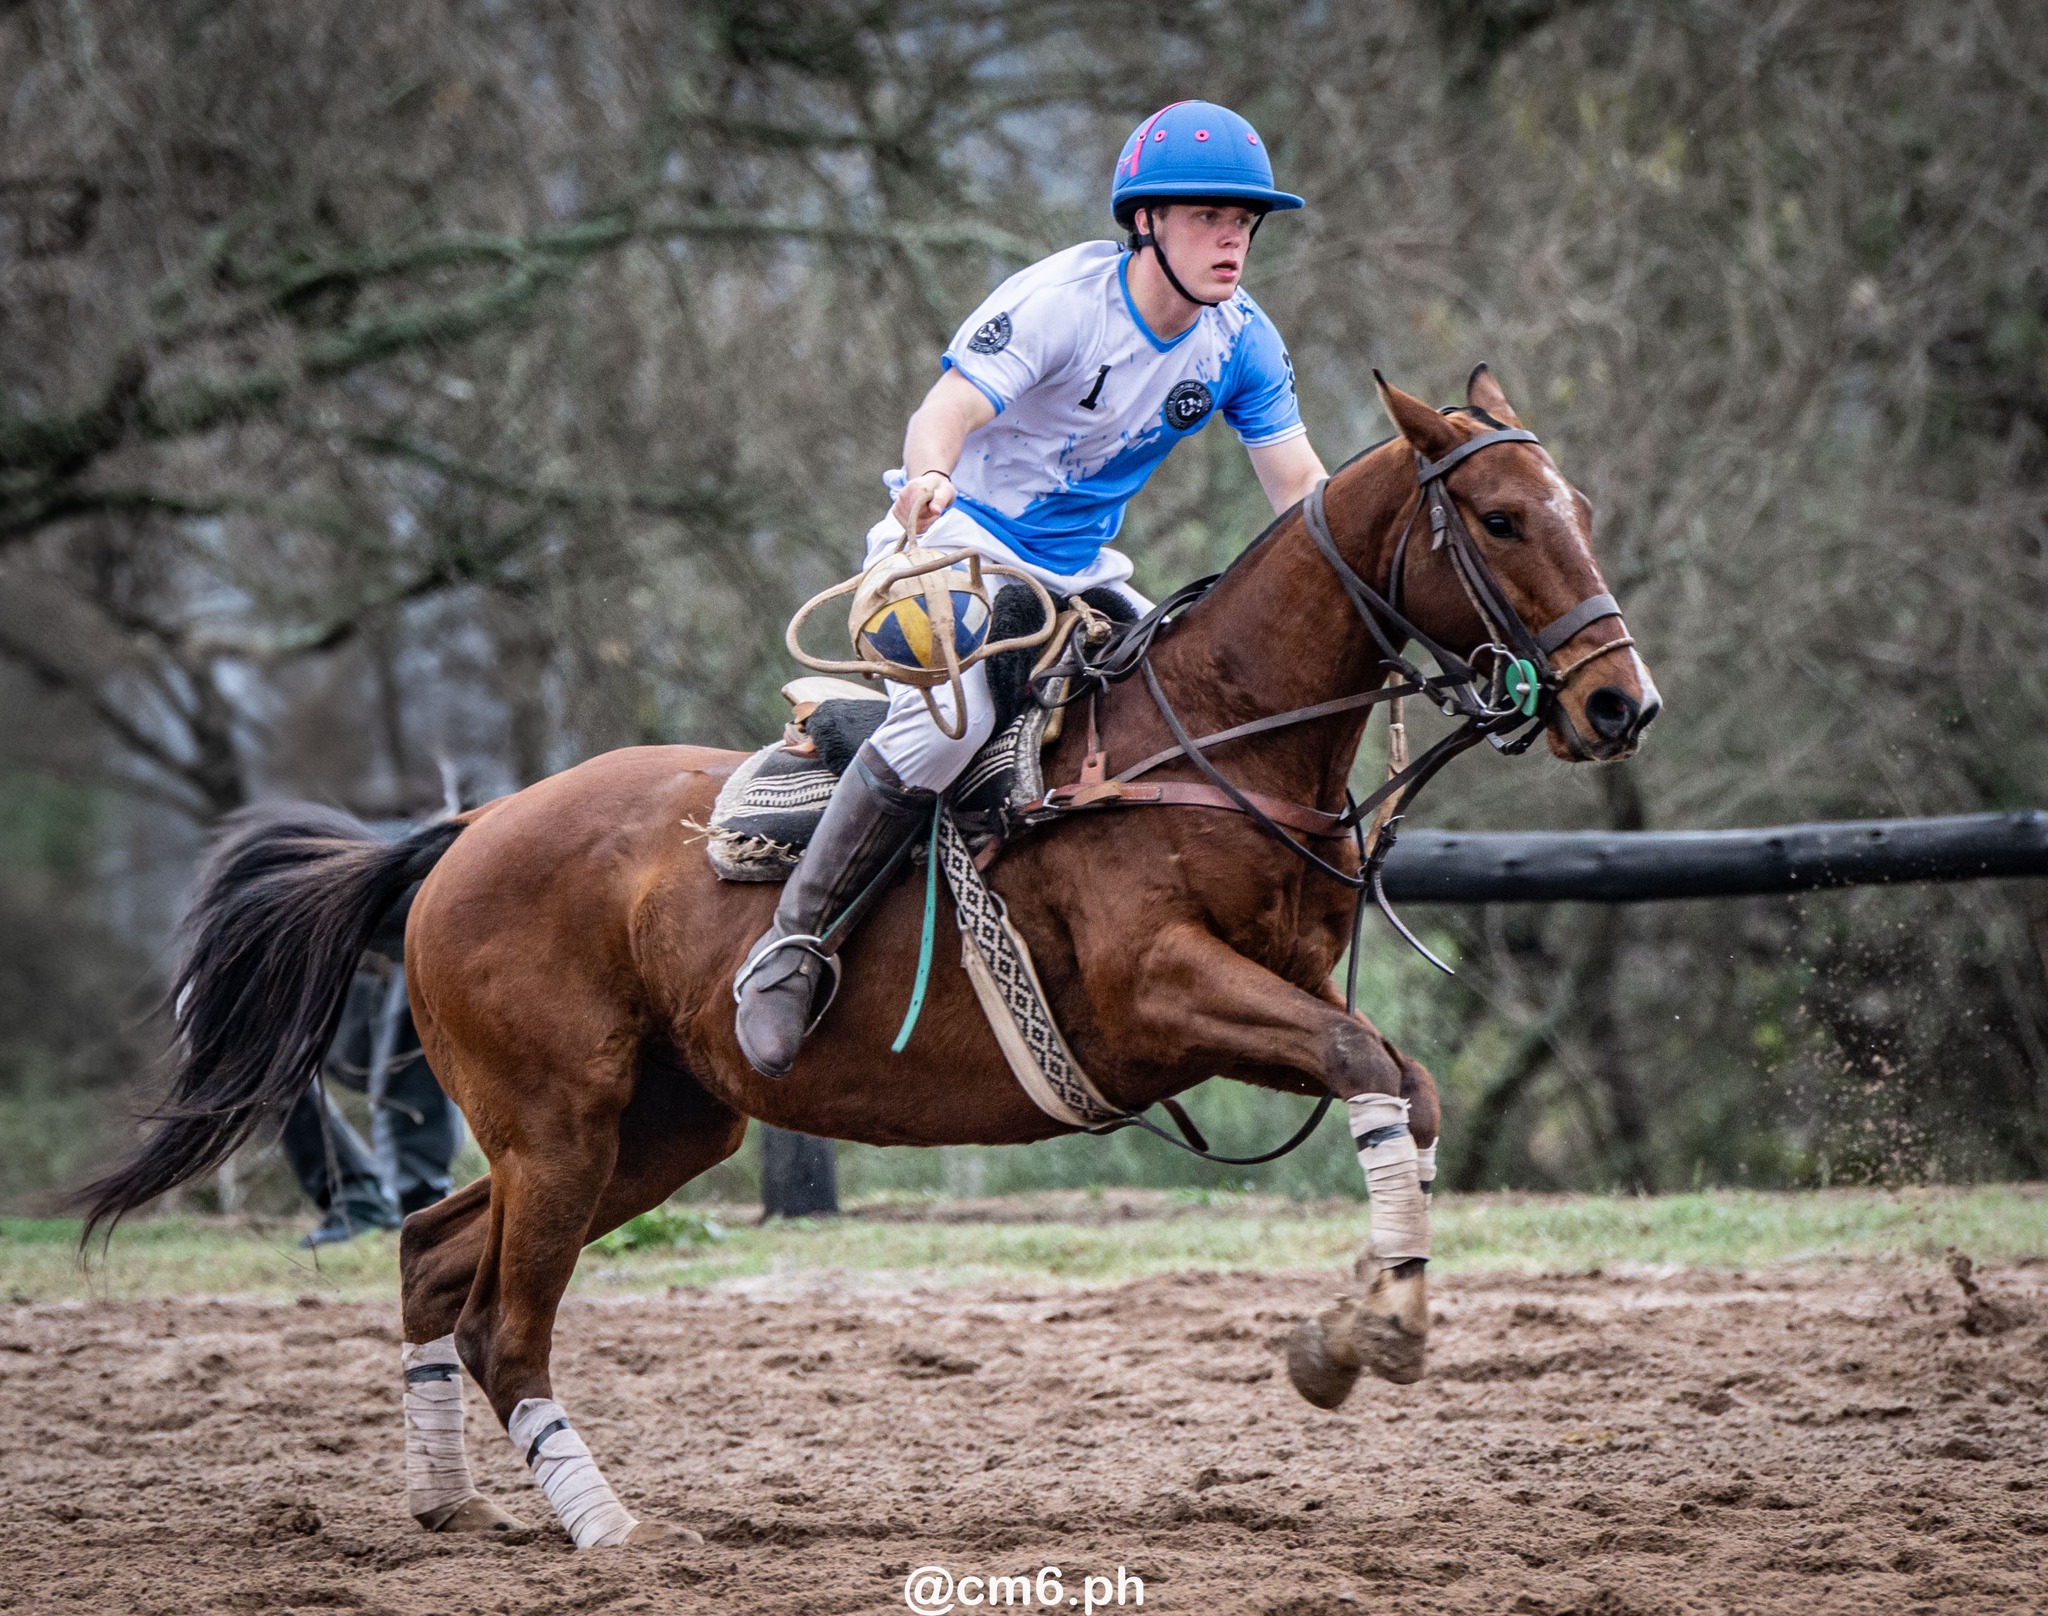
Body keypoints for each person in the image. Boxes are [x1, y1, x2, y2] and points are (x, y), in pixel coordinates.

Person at [734, 100, 1331, 1078]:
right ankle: (789, 946)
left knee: (1185, 709)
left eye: (1244, 222)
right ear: (1144, 222)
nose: (1232, 239)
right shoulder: (1062, 303)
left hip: (1080, 573)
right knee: (952, 725)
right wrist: (928, 474)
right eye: (1206, 218)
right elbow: (944, 412)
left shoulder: (1241, 342)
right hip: (953, 537)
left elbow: (1301, 495)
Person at [280, 878, 463, 1246]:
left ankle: (421, 1198)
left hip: (424, 864)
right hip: (321, 879)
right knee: (248, 1039)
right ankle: (357, 1194)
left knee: (409, 1005)